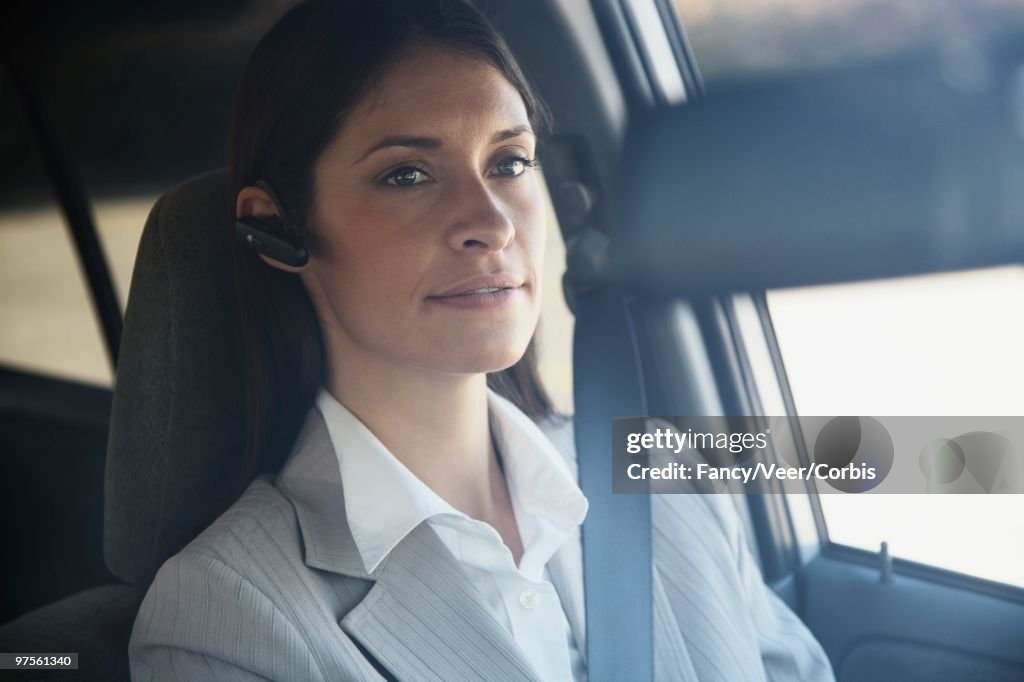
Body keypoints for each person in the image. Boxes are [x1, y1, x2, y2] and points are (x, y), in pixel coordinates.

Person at [128, 0, 836, 680]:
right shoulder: (226, 616)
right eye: (407, 174)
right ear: (276, 229)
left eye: (510, 163)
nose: (492, 222)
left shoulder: (668, 479)